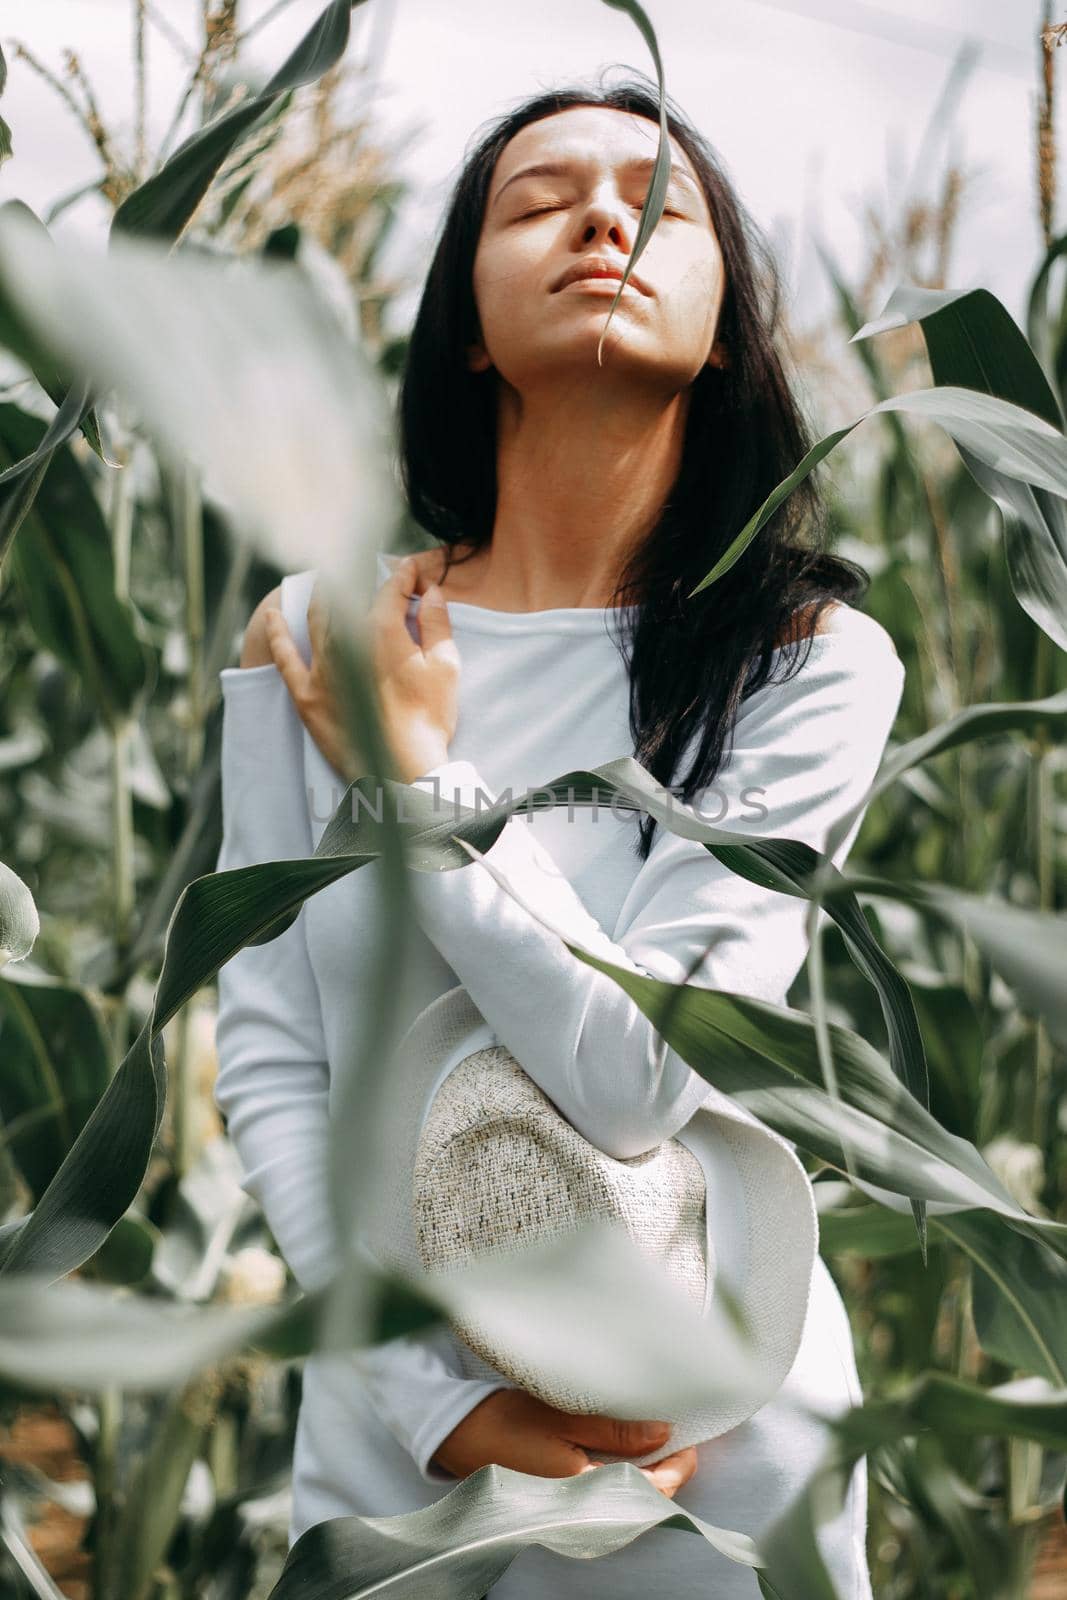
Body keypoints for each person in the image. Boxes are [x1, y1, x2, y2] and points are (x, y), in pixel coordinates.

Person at [212, 76, 905, 1596]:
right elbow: (272, 1057)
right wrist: (439, 1404)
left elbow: (641, 1074)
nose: (603, 214)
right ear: (467, 318)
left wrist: (412, 782)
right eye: (538, 198)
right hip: (402, 1476)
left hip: (708, 1447)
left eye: (659, 206)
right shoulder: (313, 642)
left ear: (723, 321)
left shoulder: (809, 659)